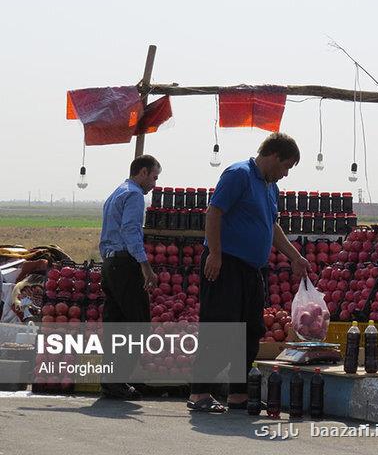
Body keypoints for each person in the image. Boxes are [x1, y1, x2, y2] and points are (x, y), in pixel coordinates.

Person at [188, 132, 310, 413]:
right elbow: (214, 212)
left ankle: (238, 394)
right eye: (286, 166)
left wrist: (295, 256)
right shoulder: (238, 174)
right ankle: (199, 393)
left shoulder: (270, 187)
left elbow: (272, 227)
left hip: (251, 269)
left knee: (250, 330)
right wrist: (216, 254)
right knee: (221, 328)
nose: (286, 174)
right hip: (226, 263)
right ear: (274, 156)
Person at [98, 154, 161, 400]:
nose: (154, 183)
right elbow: (131, 230)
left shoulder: (117, 192)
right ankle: (119, 380)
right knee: (138, 324)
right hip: (125, 264)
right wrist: (145, 266)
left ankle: (111, 381)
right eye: (154, 177)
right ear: (143, 172)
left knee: (115, 324)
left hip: (111, 263)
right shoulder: (134, 195)